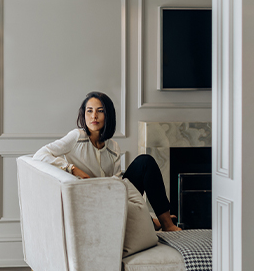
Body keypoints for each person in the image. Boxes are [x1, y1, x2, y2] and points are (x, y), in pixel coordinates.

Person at [33, 91, 181, 232]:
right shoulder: (77, 137)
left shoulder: (113, 147)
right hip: (91, 200)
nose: (94, 116)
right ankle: (150, 221)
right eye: (89, 111)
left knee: (145, 162)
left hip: (111, 195)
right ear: (83, 114)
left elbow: (116, 183)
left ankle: (165, 223)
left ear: (108, 114)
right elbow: (40, 154)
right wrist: (72, 168)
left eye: (100, 111)